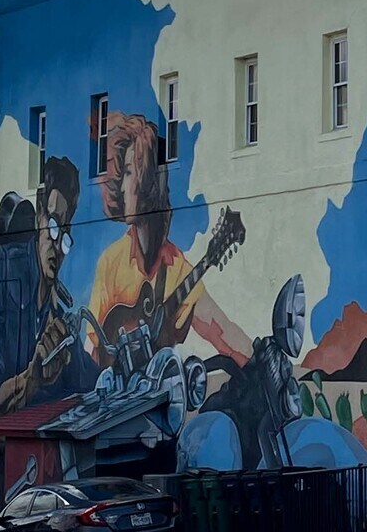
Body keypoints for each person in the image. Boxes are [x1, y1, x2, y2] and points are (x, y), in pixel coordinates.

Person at [87, 111, 249, 364]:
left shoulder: (177, 271)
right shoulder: (110, 263)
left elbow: (222, 330)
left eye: (129, 172)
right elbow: (93, 352)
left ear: (150, 181)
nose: (122, 186)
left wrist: (263, 357)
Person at [0, 156, 97, 414]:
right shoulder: (5, 270)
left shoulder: (56, 314)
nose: (57, 244)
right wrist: (33, 378)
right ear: (39, 216)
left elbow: (90, 381)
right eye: (52, 224)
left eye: (64, 236)